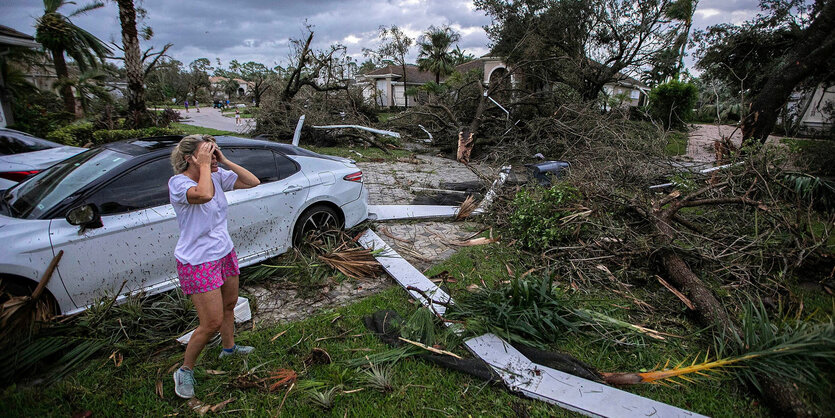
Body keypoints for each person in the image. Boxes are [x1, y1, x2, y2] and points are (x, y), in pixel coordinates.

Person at [168, 135, 260, 399]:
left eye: (213, 151)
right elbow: (204, 195)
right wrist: (207, 166)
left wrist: (224, 160)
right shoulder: (179, 183)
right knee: (210, 323)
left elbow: (252, 181)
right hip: (198, 261)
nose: (212, 155)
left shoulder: (217, 176)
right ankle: (185, 370)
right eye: (206, 152)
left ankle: (229, 348)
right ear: (190, 158)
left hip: (223, 252)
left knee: (230, 305)